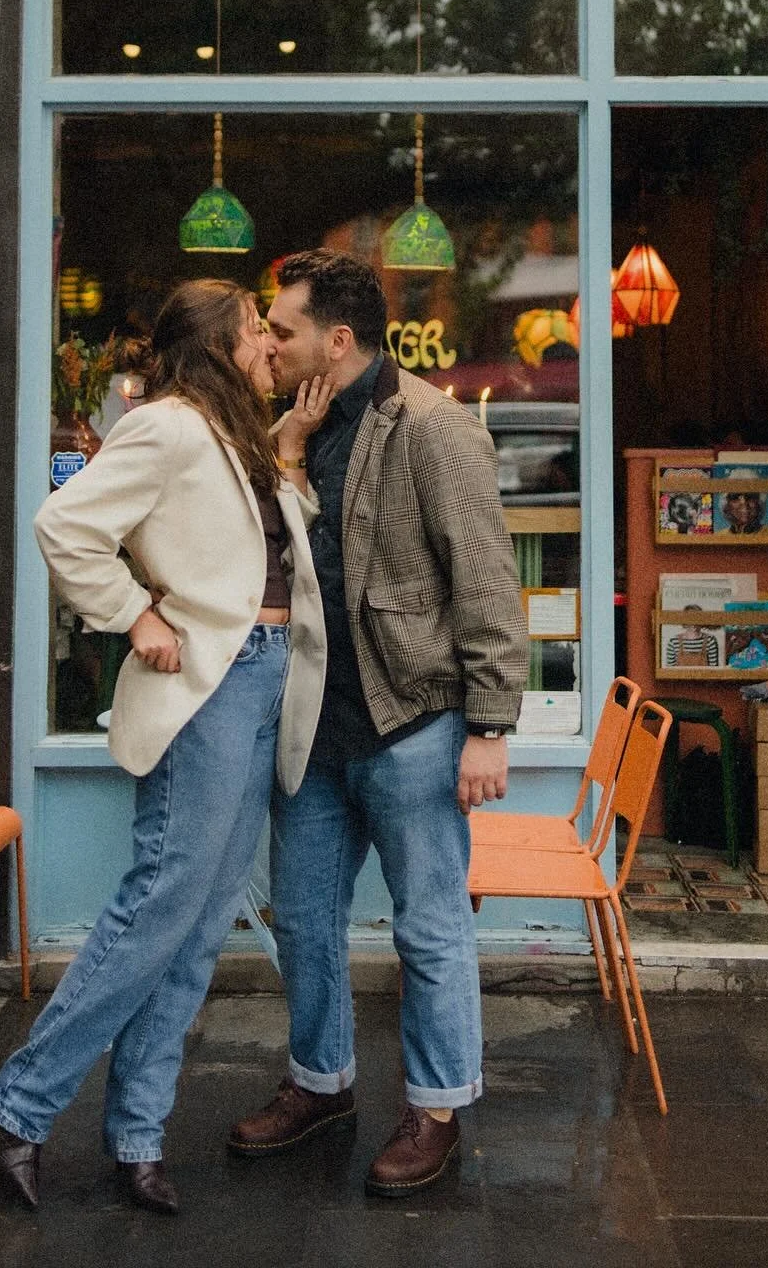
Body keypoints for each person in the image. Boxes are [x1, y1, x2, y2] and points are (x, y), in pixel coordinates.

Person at [0, 279, 330, 1216]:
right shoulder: (168, 427)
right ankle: (22, 1108)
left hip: (261, 680)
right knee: (156, 912)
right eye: (255, 329)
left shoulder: (233, 435)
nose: (269, 344)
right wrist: (134, 613)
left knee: (198, 927)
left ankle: (138, 1138)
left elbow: (250, 553)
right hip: (209, 688)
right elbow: (64, 525)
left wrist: (288, 453)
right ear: (217, 343)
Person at [228, 250, 528, 1197]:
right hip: (313, 726)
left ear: (338, 339)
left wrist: (490, 725)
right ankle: (321, 1084)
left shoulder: (433, 428)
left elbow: (487, 580)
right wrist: (283, 445)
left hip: (414, 724)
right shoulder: (293, 425)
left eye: (282, 328)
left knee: (428, 929)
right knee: (303, 918)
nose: (269, 341)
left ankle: (436, 1107)